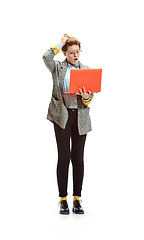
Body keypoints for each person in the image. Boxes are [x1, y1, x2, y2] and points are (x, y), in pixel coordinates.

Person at [42, 34, 93, 214]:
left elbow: (89, 98)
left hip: (80, 118)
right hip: (61, 117)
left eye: (77, 52)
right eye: (71, 52)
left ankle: (77, 199)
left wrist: (87, 97)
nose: (75, 55)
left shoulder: (86, 69)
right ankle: (63, 199)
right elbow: (46, 57)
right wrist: (59, 44)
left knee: (78, 159)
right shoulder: (57, 67)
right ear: (65, 53)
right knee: (64, 157)